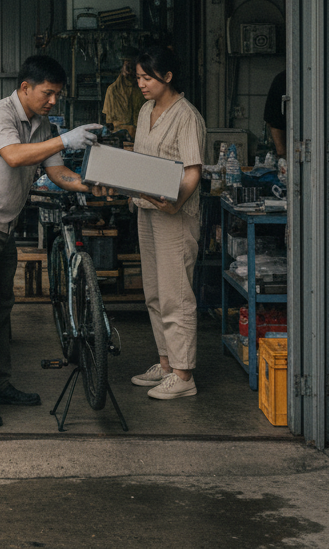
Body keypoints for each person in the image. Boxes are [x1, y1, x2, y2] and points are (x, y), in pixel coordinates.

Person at [0, 55, 106, 427]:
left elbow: (57, 171)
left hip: (4, 223)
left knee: (2, 306)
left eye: (57, 95)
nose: (53, 101)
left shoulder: (43, 124)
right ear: (25, 88)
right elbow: (14, 156)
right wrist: (65, 138)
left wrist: (91, 185)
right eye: (47, 93)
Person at [129, 45, 206, 401]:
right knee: (155, 292)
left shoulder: (186, 116)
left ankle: (184, 374)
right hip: (147, 208)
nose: (141, 84)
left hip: (175, 215)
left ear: (168, 77)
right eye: (139, 77)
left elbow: (193, 171)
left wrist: (177, 204)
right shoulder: (146, 110)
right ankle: (166, 364)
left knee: (176, 293)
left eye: (147, 77)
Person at [102, 47, 146, 139]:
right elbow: (109, 124)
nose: (129, 69)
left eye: (132, 65)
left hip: (142, 138)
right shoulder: (112, 90)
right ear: (122, 67)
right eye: (126, 65)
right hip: (120, 139)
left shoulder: (144, 90)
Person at [263, 70, 287, 158]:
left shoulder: (282, 78)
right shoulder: (283, 79)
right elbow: (272, 118)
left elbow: (271, 118)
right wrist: (282, 151)